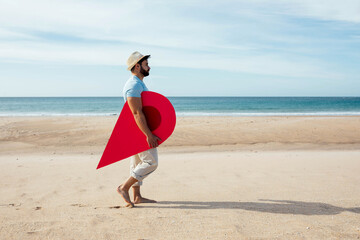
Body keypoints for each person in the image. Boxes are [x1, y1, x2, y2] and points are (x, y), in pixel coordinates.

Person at [117, 51, 161, 207]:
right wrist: (148, 134)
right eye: (146, 64)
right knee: (151, 162)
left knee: (137, 163)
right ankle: (124, 187)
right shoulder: (133, 85)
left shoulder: (138, 83)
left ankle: (137, 197)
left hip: (136, 129)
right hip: (139, 130)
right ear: (137, 66)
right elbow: (136, 112)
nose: (149, 67)